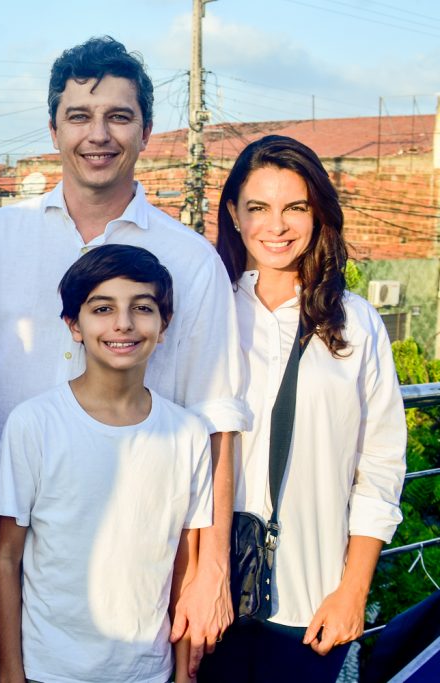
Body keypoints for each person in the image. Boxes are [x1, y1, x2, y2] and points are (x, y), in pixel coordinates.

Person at [0, 35, 247, 669]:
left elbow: (218, 417)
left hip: (133, 564)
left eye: (118, 117)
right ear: (53, 128)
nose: (97, 135)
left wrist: (211, 567)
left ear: (147, 131)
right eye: (79, 116)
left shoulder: (191, 260)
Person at [198, 135, 406, 682]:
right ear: (234, 216)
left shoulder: (356, 324)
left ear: (319, 216)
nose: (277, 225)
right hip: (204, 596)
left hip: (311, 604)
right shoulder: (204, 313)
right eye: (259, 208)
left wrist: (352, 592)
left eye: (296, 208)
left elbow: (381, 467)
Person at [0, 244, 212, 683]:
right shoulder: (34, 424)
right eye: (103, 308)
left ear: (164, 325)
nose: (124, 323)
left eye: (143, 308)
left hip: (147, 672)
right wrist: (10, 674)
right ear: (74, 325)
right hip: (49, 670)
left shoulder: (188, 434)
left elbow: (185, 566)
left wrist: (184, 675)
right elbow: (5, 559)